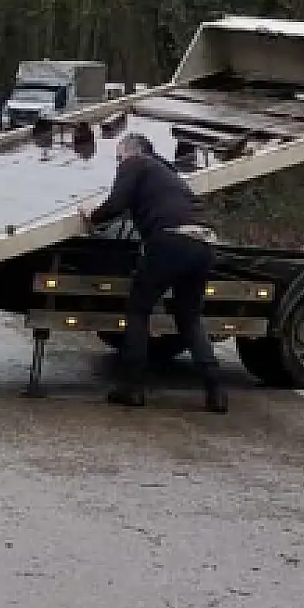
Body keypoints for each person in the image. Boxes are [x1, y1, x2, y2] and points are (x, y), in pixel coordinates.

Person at [81, 130, 228, 414]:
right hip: (204, 243)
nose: (118, 164)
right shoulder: (166, 173)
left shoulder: (135, 163)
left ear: (130, 152)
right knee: (189, 317)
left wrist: (92, 216)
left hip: (170, 241)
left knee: (138, 309)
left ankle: (132, 388)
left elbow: (115, 205)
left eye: (118, 157)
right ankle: (215, 391)